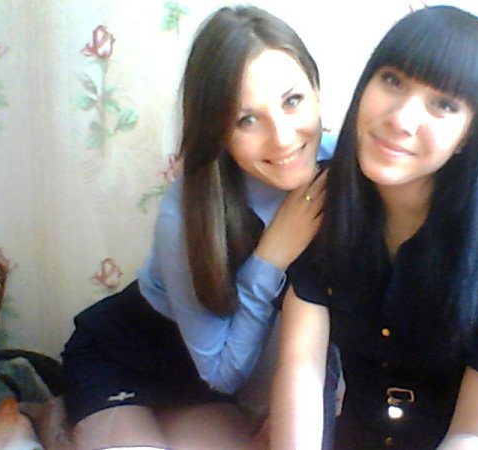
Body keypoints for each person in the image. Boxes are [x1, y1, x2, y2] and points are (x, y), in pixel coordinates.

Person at [271, 6, 478, 450]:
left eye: (444, 104)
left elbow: (476, 433)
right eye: (393, 80)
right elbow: (302, 370)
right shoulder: (322, 201)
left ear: (469, 135)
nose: (402, 119)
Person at [61, 6, 338, 450]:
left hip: (201, 388)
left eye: (293, 101)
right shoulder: (187, 210)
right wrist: (271, 255)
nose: (283, 138)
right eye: (247, 119)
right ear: (218, 130)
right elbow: (223, 371)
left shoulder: (344, 168)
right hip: (127, 357)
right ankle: (43, 423)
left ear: (317, 91)